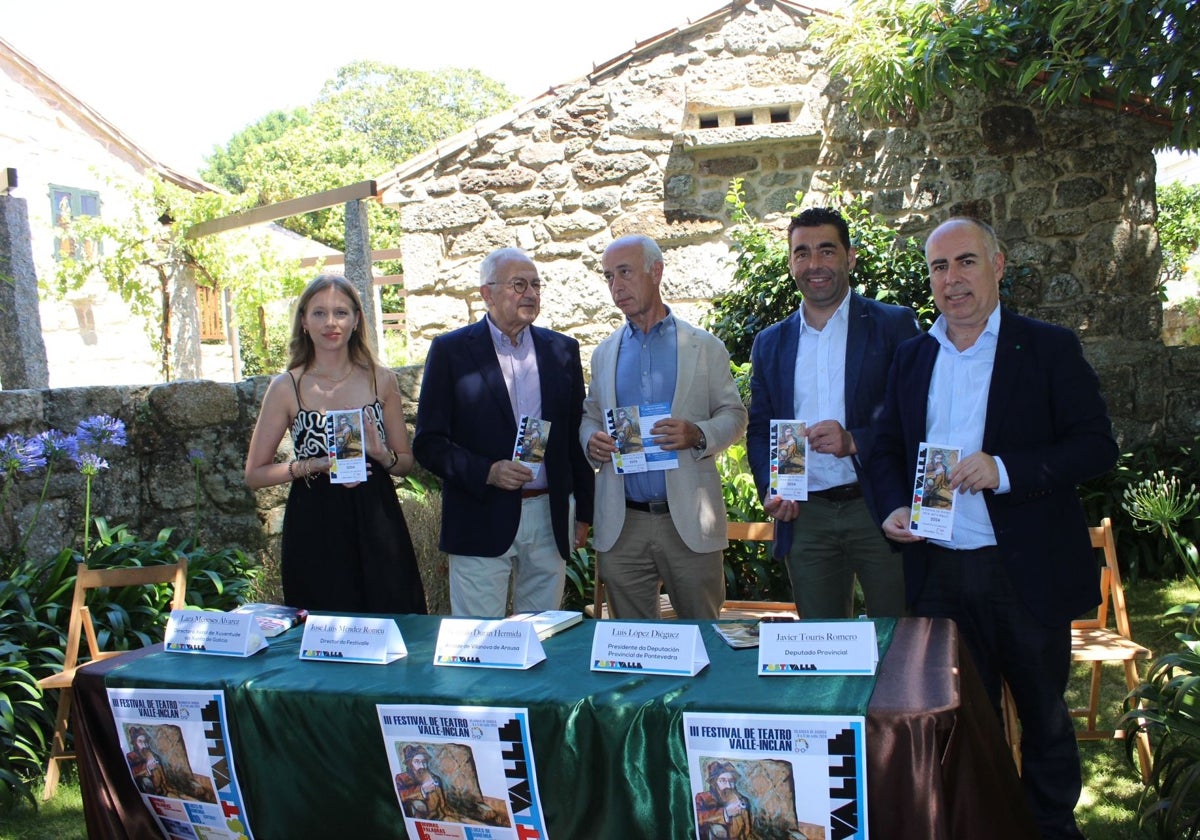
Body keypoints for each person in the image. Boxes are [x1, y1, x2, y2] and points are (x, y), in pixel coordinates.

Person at [868, 216, 1117, 840]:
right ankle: (978, 824)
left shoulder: (1047, 347)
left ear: (998, 265)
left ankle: (1051, 826)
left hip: (1022, 569)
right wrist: (895, 505)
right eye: (938, 267)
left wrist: (1005, 470)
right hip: (939, 570)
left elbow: (1095, 447)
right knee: (957, 719)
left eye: (966, 262)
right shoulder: (912, 356)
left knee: (1043, 713)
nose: (952, 280)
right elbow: (882, 448)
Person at [747, 207, 919, 619]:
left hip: (878, 507)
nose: (814, 264)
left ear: (850, 256)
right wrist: (770, 490)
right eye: (802, 253)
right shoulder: (770, 343)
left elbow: (916, 418)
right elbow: (759, 430)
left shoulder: (894, 325)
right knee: (820, 646)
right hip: (806, 517)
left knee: (898, 638)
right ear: (791, 262)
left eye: (827, 251)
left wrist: (856, 439)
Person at [413, 247, 594, 617]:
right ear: (487, 293)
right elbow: (429, 443)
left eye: (536, 285)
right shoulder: (451, 351)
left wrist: (584, 511)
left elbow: (574, 438)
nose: (530, 293)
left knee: (543, 638)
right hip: (480, 515)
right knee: (479, 644)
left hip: (549, 516)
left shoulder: (562, 350)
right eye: (518, 285)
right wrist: (488, 472)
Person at [582, 234, 748, 620]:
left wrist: (698, 434)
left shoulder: (703, 346)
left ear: (656, 272)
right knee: (633, 650)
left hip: (687, 521)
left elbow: (734, 415)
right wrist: (591, 439)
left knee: (704, 640)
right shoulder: (604, 352)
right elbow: (590, 414)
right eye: (608, 277)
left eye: (624, 273)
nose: (616, 286)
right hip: (623, 525)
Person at [245, 273, 427, 614]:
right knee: (322, 626)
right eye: (319, 313)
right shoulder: (287, 387)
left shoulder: (381, 379)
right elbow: (254, 474)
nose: (331, 322)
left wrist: (380, 454)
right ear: (303, 321)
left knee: (392, 618)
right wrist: (308, 466)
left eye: (341, 312)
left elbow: (405, 462)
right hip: (315, 520)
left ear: (357, 320)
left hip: (377, 518)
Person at [694, 761, 754, 840]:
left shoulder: (742, 801)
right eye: (723, 781)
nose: (728, 786)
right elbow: (698, 819)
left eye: (731, 781)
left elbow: (748, 831)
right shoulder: (702, 798)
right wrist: (725, 813)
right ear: (714, 783)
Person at [394, 745, 447, 821]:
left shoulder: (434, 778)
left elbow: (443, 805)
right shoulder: (401, 778)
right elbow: (402, 796)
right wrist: (422, 790)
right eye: (417, 762)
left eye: (424, 762)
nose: (422, 766)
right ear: (410, 764)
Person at [125, 728, 167, 796]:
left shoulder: (148, 753)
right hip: (143, 783)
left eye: (145, 742)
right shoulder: (130, 756)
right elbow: (133, 775)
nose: (144, 745)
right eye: (140, 742)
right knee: (146, 781)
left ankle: (162, 789)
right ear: (134, 743)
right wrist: (147, 769)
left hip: (156, 782)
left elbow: (158, 766)